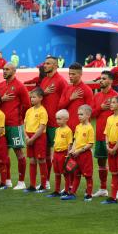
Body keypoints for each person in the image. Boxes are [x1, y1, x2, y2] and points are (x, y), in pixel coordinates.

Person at [0, 63, 31, 190]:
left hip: (14, 125)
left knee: (18, 152)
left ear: (14, 71)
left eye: (7, 69)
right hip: (1, 125)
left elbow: (27, 105)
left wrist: (18, 117)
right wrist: (1, 99)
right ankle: (7, 180)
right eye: (3, 69)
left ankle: (21, 182)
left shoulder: (20, 86)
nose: (4, 71)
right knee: (3, 153)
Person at [40, 56, 67, 189]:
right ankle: (46, 182)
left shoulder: (61, 81)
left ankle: (64, 184)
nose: (45, 65)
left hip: (56, 124)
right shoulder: (44, 80)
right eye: (45, 63)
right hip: (44, 123)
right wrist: (43, 93)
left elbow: (66, 99)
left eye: (48, 63)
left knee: (59, 155)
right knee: (45, 154)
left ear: (55, 65)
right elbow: (37, 97)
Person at [91, 71, 118, 198]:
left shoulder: (116, 97)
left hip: (113, 137)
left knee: (115, 164)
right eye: (100, 78)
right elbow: (91, 115)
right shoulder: (96, 97)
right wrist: (100, 108)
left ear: (111, 81)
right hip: (100, 135)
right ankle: (103, 188)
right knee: (101, 162)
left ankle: (117, 190)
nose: (101, 80)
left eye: (104, 78)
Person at [62, 105, 95, 201]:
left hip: (85, 155)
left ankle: (89, 195)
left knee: (88, 175)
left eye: (81, 114)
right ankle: (72, 193)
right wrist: (72, 149)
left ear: (88, 115)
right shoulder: (78, 127)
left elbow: (90, 144)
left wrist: (80, 150)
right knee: (76, 174)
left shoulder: (90, 128)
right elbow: (76, 140)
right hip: (76, 154)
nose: (79, 116)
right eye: (78, 114)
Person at [23, 87, 48, 193]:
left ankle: (43, 185)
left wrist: (32, 138)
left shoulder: (43, 111)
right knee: (32, 160)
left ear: (41, 98)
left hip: (39, 137)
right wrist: (27, 137)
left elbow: (42, 127)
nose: (31, 99)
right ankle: (32, 185)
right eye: (31, 97)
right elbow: (24, 125)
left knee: (41, 159)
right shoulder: (29, 111)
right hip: (29, 137)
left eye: (34, 97)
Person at [45, 109, 72, 198]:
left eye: (59, 119)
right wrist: (53, 155)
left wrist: (68, 156)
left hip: (63, 154)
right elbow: (55, 143)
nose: (57, 121)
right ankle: (56, 190)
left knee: (65, 173)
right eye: (57, 119)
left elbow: (69, 144)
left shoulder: (68, 131)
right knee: (56, 173)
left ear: (66, 119)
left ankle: (67, 190)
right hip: (56, 154)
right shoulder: (57, 130)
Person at [58, 62, 93, 131]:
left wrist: (85, 128)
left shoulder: (87, 90)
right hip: (66, 129)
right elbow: (60, 107)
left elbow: (89, 112)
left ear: (80, 74)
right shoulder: (67, 88)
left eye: (73, 74)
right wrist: (70, 99)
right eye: (69, 74)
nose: (70, 76)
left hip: (81, 129)